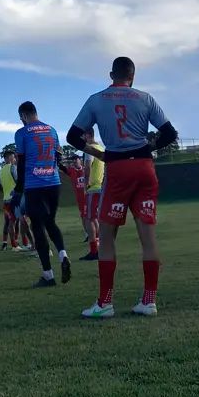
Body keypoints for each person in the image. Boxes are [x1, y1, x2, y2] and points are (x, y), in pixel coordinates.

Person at [67, 56, 178, 318]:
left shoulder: (96, 99)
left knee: (106, 237)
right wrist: (148, 147)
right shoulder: (145, 98)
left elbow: (73, 136)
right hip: (144, 168)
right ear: (133, 76)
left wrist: (98, 153)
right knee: (148, 237)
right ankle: (148, 300)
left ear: (111, 74)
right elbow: (170, 133)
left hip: (117, 169)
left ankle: (105, 303)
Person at [10, 101, 71, 288]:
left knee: (38, 227)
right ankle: (63, 254)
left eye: (21, 118)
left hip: (34, 185)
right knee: (51, 222)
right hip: (53, 183)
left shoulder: (22, 133)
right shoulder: (51, 130)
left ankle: (48, 275)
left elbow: (21, 164)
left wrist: (18, 191)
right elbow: (58, 156)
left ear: (24, 116)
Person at [79, 132, 105, 262]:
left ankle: (94, 251)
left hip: (92, 188)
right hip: (100, 186)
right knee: (94, 218)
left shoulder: (89, 149)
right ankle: (100, 247)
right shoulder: (101, 148)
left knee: (88, 219)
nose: (81, 138)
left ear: (88, 135)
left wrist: (85, 185)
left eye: (83, 136)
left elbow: (88, 167)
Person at [0, 151, 21, 251]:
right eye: (13, 157)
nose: (14, 159)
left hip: (5, 200)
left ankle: (4, 243)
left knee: (7, 222)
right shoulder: (13, 168)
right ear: (8, 158)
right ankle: (15, 244)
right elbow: (18, 182)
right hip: (14, 199)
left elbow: (0, 187)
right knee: (16, 221)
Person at [62, 154, 89, 243]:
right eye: (73, 161)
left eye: (75, 160)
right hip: (80, 198)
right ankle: (87, 234)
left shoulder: (86, 169)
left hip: (88, 196)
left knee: (91, 216)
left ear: (80, 160)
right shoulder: (71, 171)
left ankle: (95, 233)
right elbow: (63, 169)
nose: (74, 162)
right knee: (83, 216)